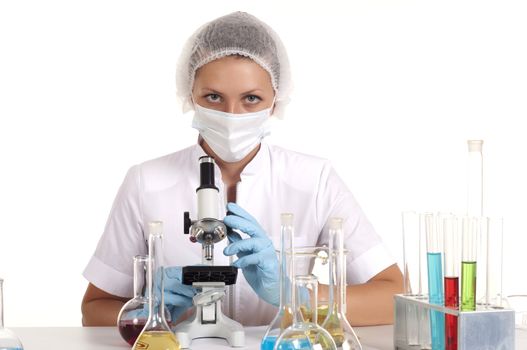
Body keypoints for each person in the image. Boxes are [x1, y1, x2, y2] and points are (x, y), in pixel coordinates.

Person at [81, 11, 403, 327]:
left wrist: (296, 295)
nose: (232, 115)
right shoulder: (146, 182)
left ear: (276, 99)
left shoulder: (314, 180)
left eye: (251, 98)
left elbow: (393, 296)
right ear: (190, 94)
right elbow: (94, 309)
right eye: (213, 97)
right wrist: (151, 310)